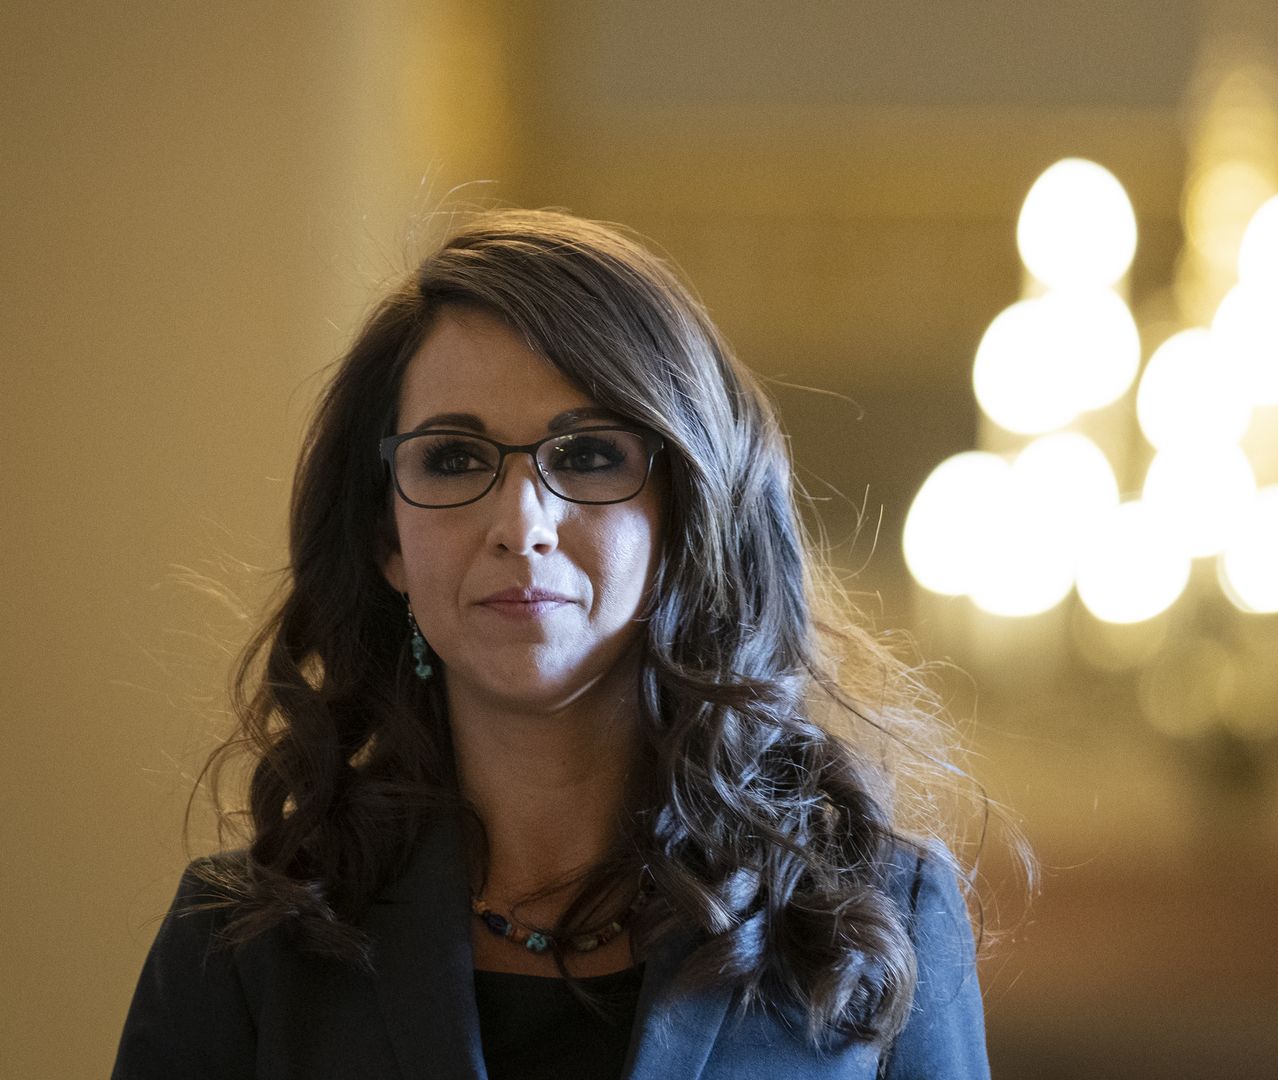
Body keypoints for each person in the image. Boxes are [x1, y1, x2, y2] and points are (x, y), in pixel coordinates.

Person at [112, 208, 1020, 1079]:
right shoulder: (244, 946)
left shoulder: (872, 920)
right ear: (388, 540)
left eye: (587, 456)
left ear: (685, 518)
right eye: (454, 459)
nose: (521, 524)